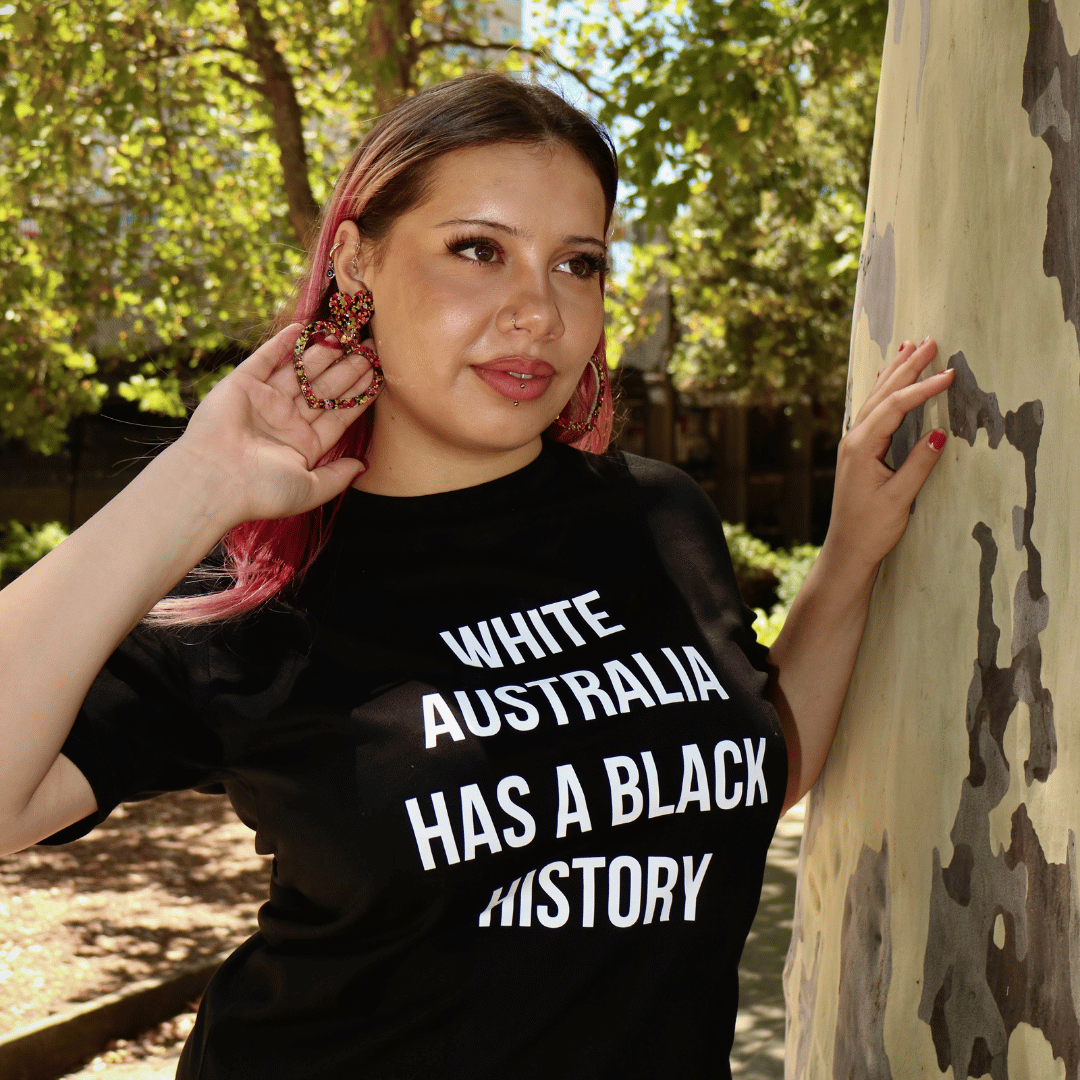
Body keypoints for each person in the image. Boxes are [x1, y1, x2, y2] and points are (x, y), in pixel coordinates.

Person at [0, 73, 954, 1078]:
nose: (537, 311)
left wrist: (848, 558)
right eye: (477, 249)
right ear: (357, 262)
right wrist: (196, 485)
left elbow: (756, 769)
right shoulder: (261, 585)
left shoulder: (656, 515)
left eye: (576, 264)